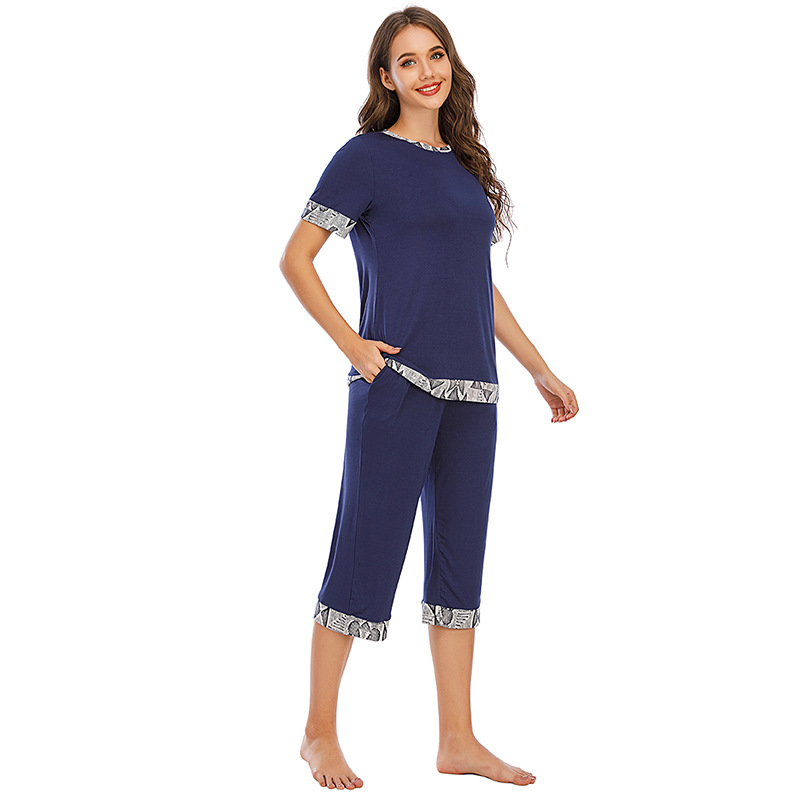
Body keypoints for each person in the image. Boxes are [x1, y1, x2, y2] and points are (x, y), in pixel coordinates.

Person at [280, 6, 578, 790]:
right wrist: (354, 346)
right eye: (407, 61)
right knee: (364, 553)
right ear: (386, 77)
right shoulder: (364, 158)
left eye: (435, 54)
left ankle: (458, 740)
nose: (426, 72)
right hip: (397, 388)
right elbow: (296, 259)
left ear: (451, 64)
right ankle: (318, 733)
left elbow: (477, 287)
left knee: (459, 564)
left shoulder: (465, 166)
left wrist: (540, 368)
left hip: (474, 392)